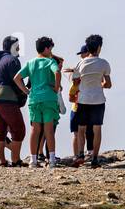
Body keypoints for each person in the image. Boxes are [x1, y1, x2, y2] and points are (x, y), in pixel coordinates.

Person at [17, 36, 63, 168]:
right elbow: (58, 73)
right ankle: (52, 160)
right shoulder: (50, 62)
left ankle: (33, 160)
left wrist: (26, 91)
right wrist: (56, 87)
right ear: (47, 48)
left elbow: (17, 78)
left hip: (34, 98)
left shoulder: (30, 63)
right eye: (51, 48)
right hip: (48, 98)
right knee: (48, 129)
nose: (51, 51)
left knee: (35, 130)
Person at [69, 34, 111, 168]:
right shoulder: (104, 63)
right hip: (98, 100)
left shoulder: (81, 63)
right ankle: (94, 159)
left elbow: (75, 81)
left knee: (81, 128)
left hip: (83, 99)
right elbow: (108, 84)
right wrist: (101, 84)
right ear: (99, 47)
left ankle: (80, 154)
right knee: (97, 129)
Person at [0, 35, 26, 167]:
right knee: (18, 129)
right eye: (18, 46)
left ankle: (2, 161)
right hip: (7, 98)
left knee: (0, 129)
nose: (20, 48)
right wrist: (25, 92)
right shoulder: (13, 60)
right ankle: (16, 160)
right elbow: (17, 79)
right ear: (13, 46)